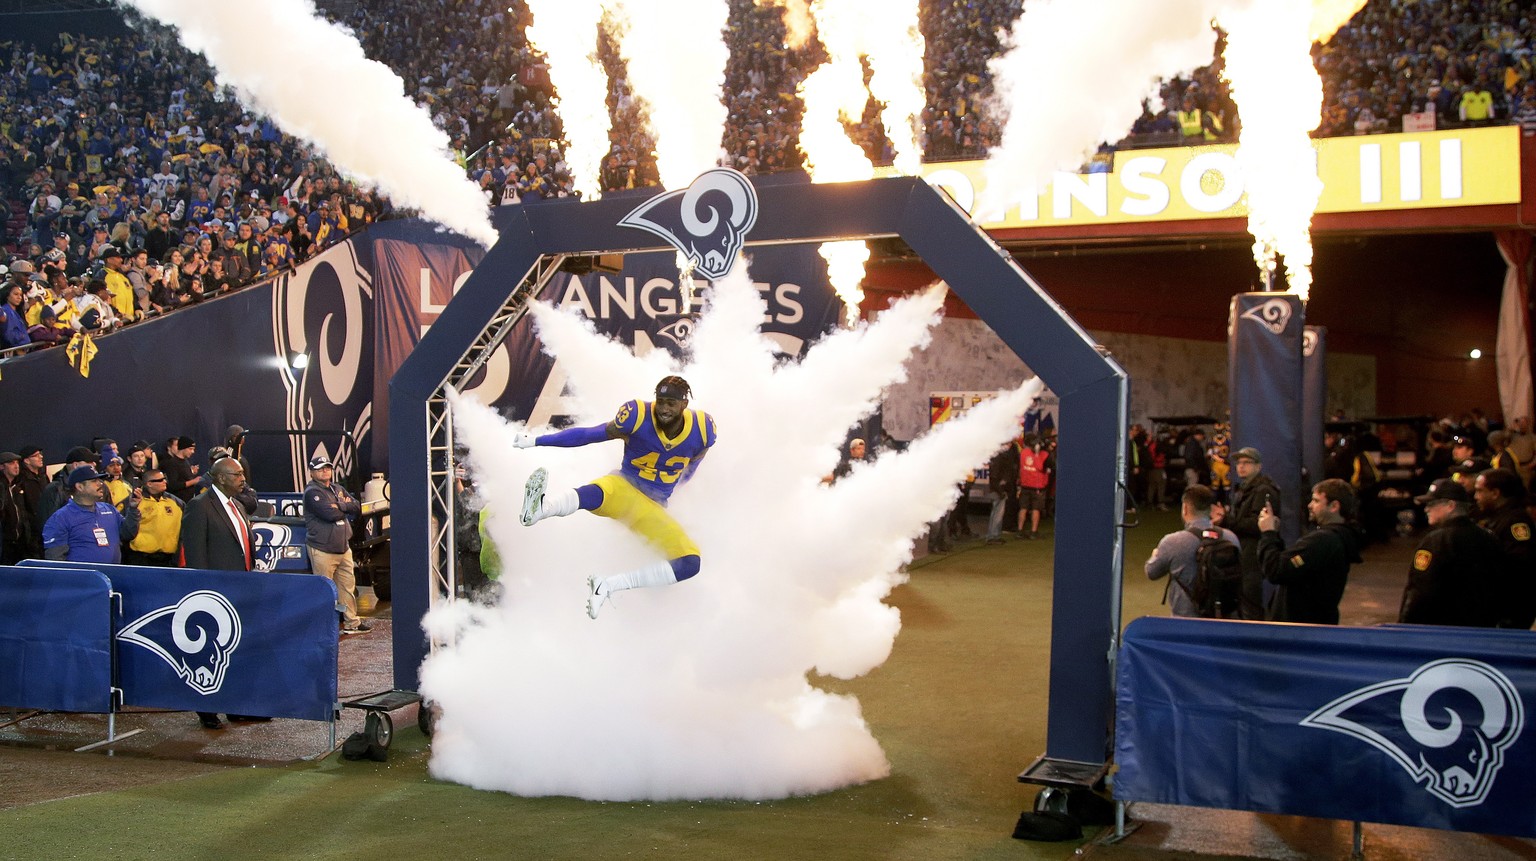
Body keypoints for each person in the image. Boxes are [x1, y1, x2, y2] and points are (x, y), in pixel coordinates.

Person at [516, 375, 716, 619]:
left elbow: (693, 464)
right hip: (626, 485)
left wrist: (674, 488)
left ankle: (608, 585)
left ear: (684, 404)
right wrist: (537, 440)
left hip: (652, 506)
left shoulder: (703, 429)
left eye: (670, 403)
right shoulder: (638, 415)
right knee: (603, 490)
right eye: (660, 401)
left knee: (690, 562)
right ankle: (541, 509)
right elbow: (590, 435)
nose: (663, 408)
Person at [1398, 479, 1503, 628]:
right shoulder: (1489, 537)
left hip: (1443, 632)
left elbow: (1420, 591)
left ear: (1450, 506)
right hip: (1483, 630)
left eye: (1431, 504)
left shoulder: (1435, 541)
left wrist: (1404, 627)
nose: (1426, 509)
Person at [1256, 479, 1362, 624]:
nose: (1309, 505)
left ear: (1334, 506)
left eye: (1316, 501)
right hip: (1315, 627)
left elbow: (1276, 570)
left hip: (1299, 631)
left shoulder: (1323, 541)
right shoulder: (1338, 538)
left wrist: (1268, 533)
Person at [1145, 484, 1240, 618]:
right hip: (1224, 620)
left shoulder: (1172, 542)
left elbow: (1151, 572)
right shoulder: (1230, 538)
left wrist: (1154, 554)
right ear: (1211, 508)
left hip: (1185, 622)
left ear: (1185, 508)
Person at [304, 455, 370, 634]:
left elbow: (357, 506)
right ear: (312, 472)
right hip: (322, 549)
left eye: (327, 467)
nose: (325, 471)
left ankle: (352, 623)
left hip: (343, 547)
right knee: (324, 589)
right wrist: (343, 506)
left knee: (347, 587)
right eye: (320, 468)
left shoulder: (337, 488)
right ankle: (324, 626)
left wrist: (338, 505)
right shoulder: (312, 492)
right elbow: (329, 514)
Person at [1472, 468, 1536, 630]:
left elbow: (1520, 566)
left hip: (1511, 609)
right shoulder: (1497, 519)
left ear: (1495, 493)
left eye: (1480, 491)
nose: (1476, 497)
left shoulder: (1515, 523)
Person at [1224, 446, 1281, 620]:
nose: (1241, 466)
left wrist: (1227, 520)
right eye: (1239, 463)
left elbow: (1258, 525)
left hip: (1254, 554)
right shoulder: (1244, 488)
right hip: (1245, 552)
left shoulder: (1263, 490)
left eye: (1247, 462)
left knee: (1251, 603)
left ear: (1258, 466)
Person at [41, 466, 142, 564]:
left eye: (100, 480)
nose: (101, 484)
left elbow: (128, 533)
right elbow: (55, 560)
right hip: (82, 579)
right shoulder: (60, 518)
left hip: (112, 576)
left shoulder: (109, 509)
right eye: (94, 481)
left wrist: (133, 509)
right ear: (79, 486)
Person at [180, 457, 254, 572]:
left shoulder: (238, 505)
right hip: (217, 583)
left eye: (243, 474)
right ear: (222, 478)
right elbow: (195, 553)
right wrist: (204, 584)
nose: (243, 479)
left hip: (244, 580)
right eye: (237, 474)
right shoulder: (199, 505)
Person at [124, 469, 183, 567]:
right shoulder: (133, 501)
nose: (164, 482)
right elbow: (125, 530)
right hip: (141, 559)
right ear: (149, 484)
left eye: (164, 479)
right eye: (160, 480)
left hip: (169, 559)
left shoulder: (177, 503)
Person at [984, 436, 1019, 545]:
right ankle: (993, 536)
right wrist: (1000, 491)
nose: (1009, 446)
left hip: (999, 488)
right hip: (998, 489)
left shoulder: (1000, 456)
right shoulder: (1000, 457)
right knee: (997, 512)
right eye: (1008, 444)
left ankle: (994, 534)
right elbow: (994, 476)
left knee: (997, 512)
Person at [1017, 434, 1051, 539]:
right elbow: (1040, 467)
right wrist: (1036, 454)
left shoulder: (1023, 453)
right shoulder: (1043, 454)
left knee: (1023, 508)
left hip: (1025, 485)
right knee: (1036, 509)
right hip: (1037, 487)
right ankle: (1033, 531)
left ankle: (1020, 530)